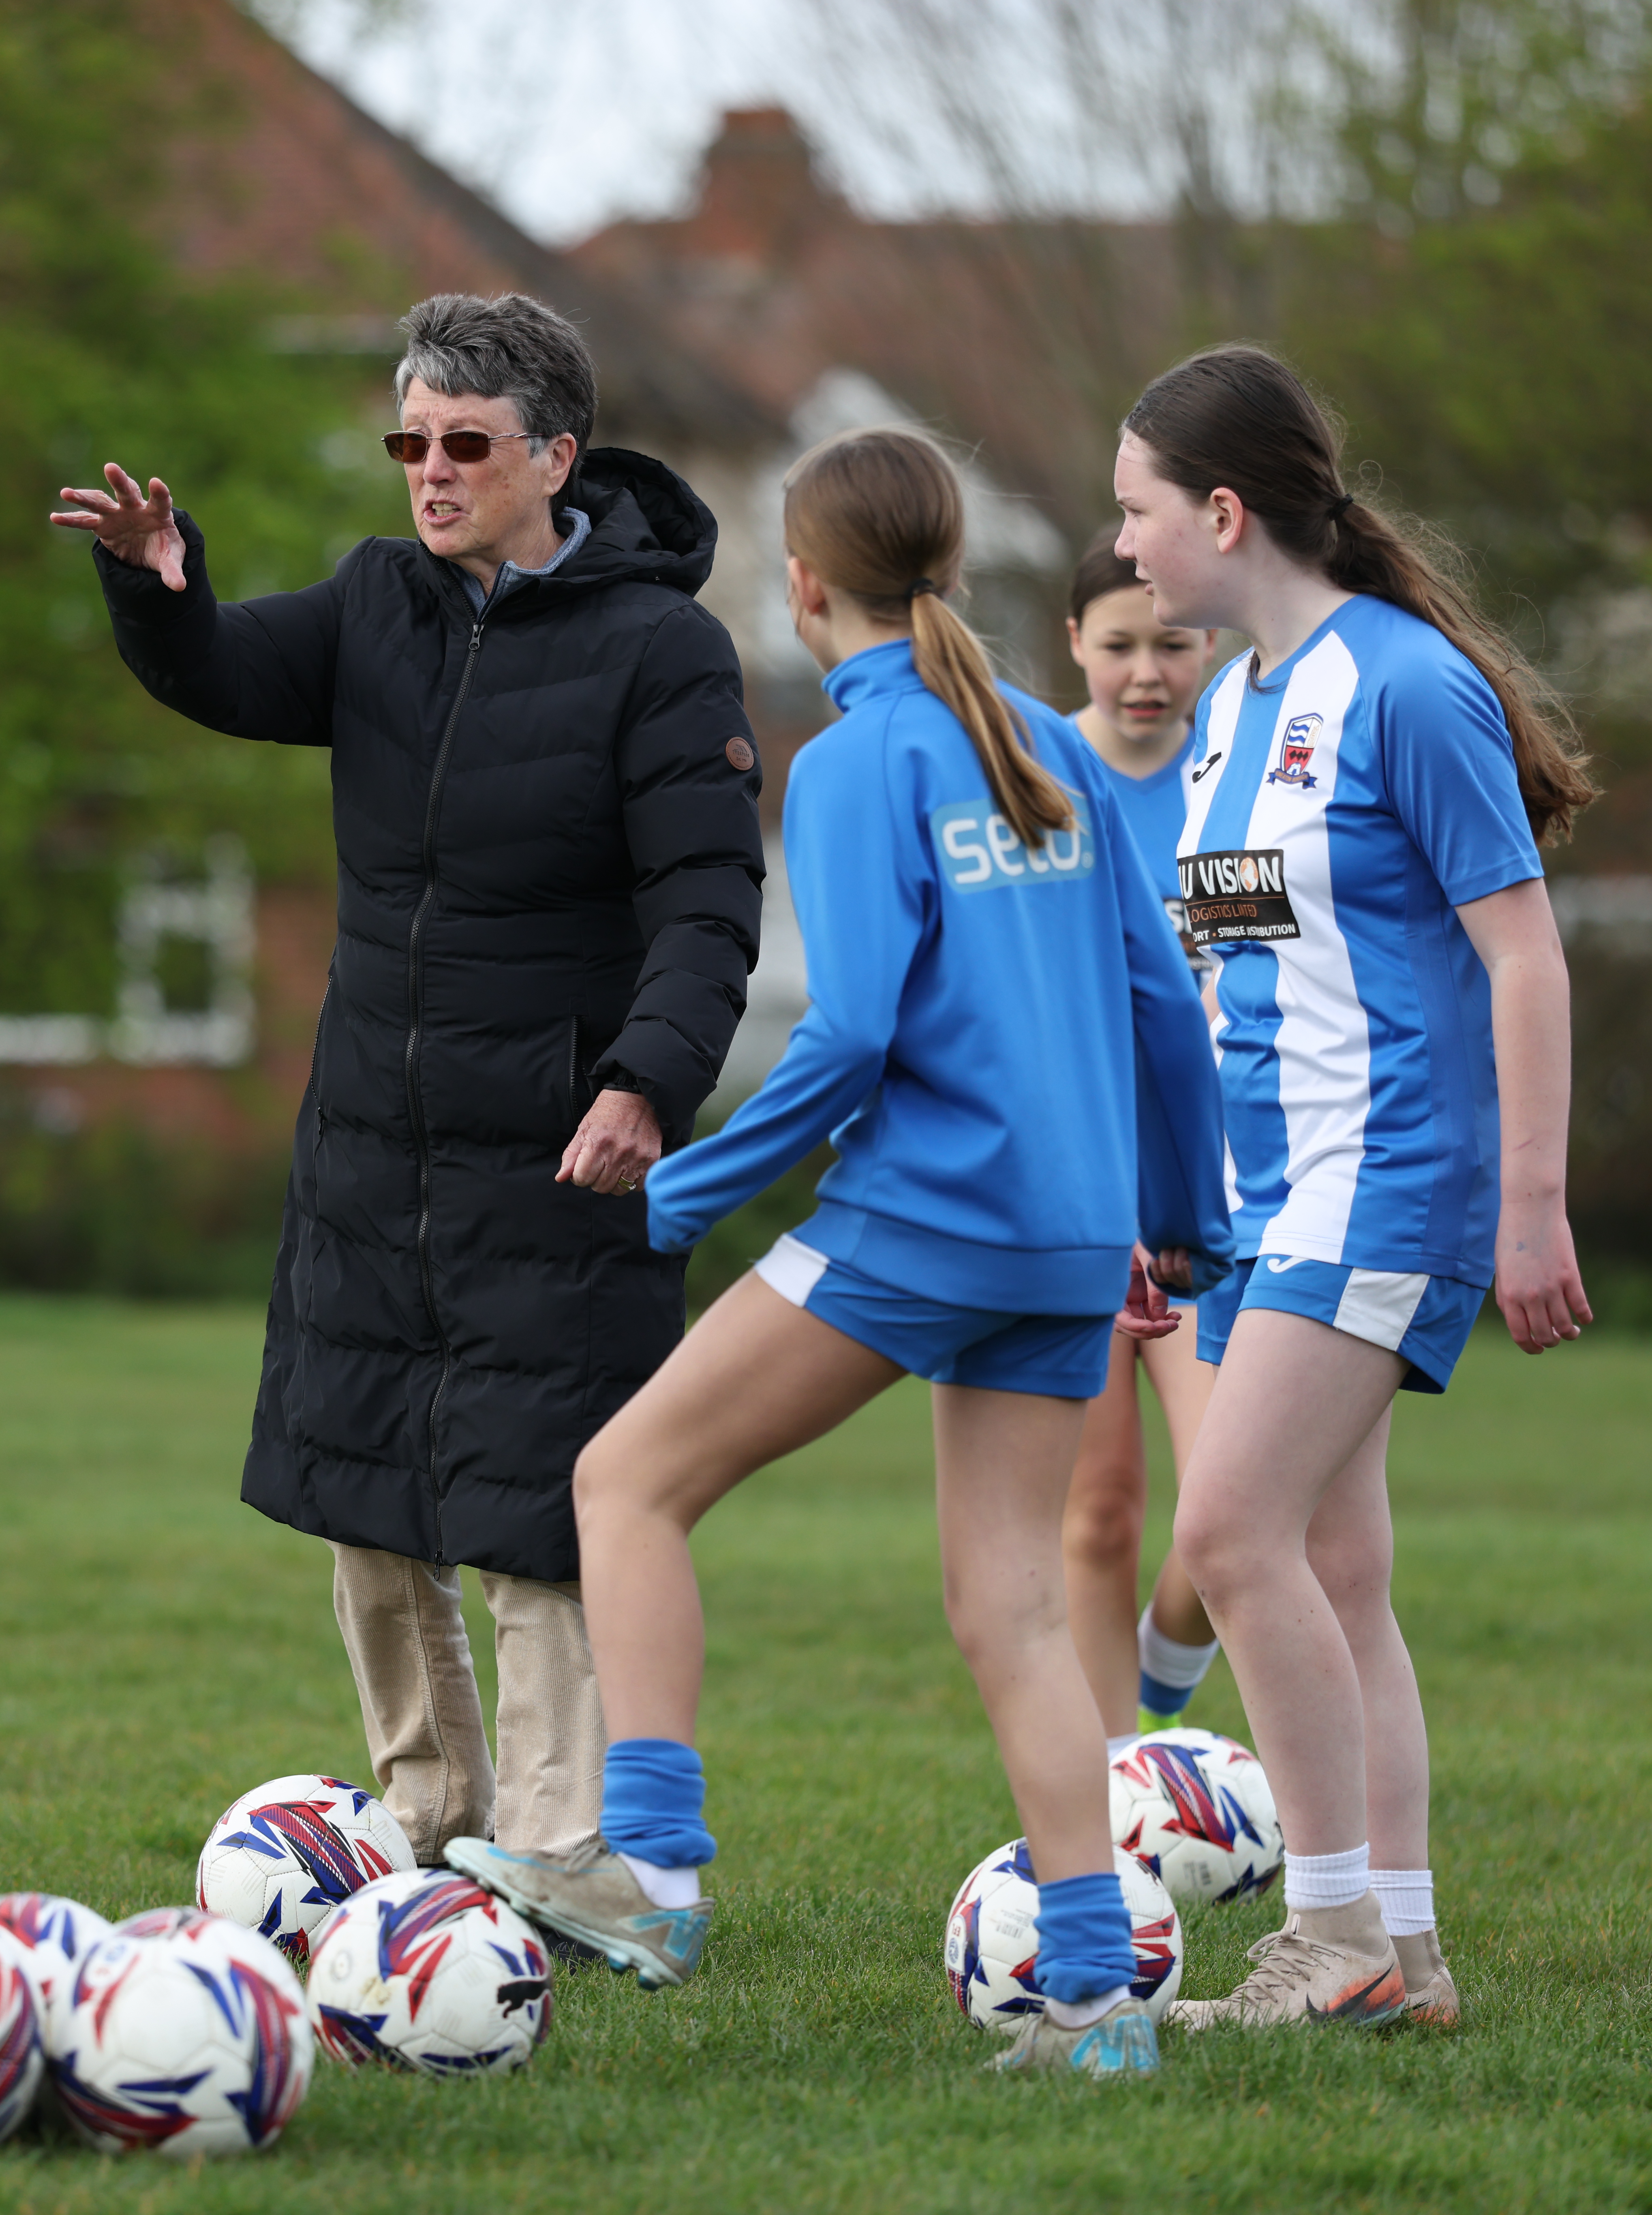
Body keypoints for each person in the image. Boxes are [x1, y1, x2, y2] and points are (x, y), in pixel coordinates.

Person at [447, 426, 1230, 2083]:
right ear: (945, 566)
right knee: (1012, 1618)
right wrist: (1176, 1220)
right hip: (1066, 1240)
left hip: (924, 1223)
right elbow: (1162, 1005)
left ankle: (648, 1875)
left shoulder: (858, 757)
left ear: (799, 582)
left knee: (625, 1481)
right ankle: (1095, 2015)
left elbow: (856, 1025)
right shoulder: (1045, 742)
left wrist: (691, 1175)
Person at [47, 294, 764, 1870]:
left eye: (463, 445)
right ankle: (428, 1827)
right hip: (375, 1144)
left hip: (563, 1150)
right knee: (367, 1501)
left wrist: (645, 1083)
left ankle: (561, 1856)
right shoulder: (380, 601)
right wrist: (163, 590)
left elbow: (707, 909)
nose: (426, 472)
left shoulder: (662, 649)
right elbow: (228, 673)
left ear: (553, 458)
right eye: (407, 442)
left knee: (540, 1518)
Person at [1109, 343, 1596, 2032]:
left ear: (1223, 513)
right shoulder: (1230, 707)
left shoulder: (1401, 688)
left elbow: (1519, 954)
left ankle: (1331, 1943)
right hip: (1259, 1207)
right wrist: (1167, 1199)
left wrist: (1524, 1208)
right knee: (1330, 1569)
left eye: (1135, 512)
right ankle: (1406, 1953)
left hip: (1385, 1187)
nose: (1121, 549)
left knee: (1227, 1537)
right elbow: (1204, 990)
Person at [1056, 543, 1231, 1750]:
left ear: (1208, 644)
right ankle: (1115, 1793)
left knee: (1233, 1507)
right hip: (1070, 1190)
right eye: (1119, 645)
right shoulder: (1032, 778)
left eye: (1171, 643)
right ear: (1074, 642)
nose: (1146, 672)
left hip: (1214, 1198)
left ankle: (1170, 1662)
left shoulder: (1245, 776)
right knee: (1099, 1514)